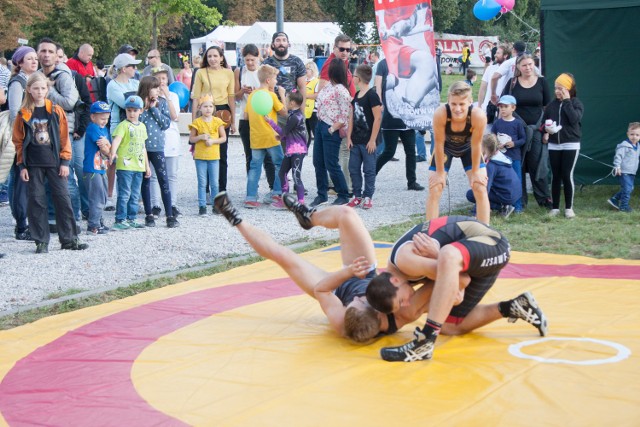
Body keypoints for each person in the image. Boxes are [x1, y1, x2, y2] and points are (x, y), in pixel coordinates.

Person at [214, 191, 444, 343]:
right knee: (346, 214)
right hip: (365, 271)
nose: (360, 297)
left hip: (333, 287)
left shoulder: (341, 320)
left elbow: (321, 290)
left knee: (283, 255)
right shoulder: (402, 314)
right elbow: (439, 287)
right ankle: (309, 217)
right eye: (361, 300)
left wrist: (347, 273)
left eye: (358, 300)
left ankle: (236, 220)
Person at [365, 215, 548, 362]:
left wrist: (453, 284)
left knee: (448, 255)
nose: (406, 303)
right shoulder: (396, 278)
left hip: (493, 244)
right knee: (450, 325)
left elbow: (461, 278)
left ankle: (425, 341)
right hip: (476, 262)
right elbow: (459, 278)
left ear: (395, 281)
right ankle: (515, 306)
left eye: (400, 301)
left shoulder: (407, 261)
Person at [12, 72, 88, 253]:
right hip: (33, 164)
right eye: (35, 88)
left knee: (63, 199)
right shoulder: (23, 114)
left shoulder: (55, 110)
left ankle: (69, 239)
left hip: (55, 163)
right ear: (28, 90)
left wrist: (64, 161)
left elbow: (64, 138)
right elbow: (18, 141)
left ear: (48, 89)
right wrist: (21, 166)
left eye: (43, 88)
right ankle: (41, 241)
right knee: (37, 202)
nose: (39, 91)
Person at [427, 81, 490, 224]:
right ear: (448, 101)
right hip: (446, 147)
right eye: (453, 104)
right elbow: (438, 143)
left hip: (469, 148)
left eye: (462, 104)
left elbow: (476, 144)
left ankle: (485, 232)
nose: (457, 109)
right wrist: (440, 173)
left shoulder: (478, 116)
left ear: (470, 102)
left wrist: (475, 173)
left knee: (479, 186)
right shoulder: (440, 113)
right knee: (435, 187)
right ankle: (429, 232)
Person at [503, 53, 551, 209]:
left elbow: (548, 108)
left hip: (536, 130)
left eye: (530, 64)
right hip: (515, 131)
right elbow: (503, 105)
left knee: (537, 164)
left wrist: (546, 131)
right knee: (518, 166)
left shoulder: (542, 82)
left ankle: (544, 199)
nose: (528, 67)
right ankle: (519, 200)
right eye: (524, 65)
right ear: (518, 67)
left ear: (534, 64)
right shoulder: (512, 83)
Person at [374, 57, 425, 193]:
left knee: (410, 151)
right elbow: (378, 85)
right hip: (391, 114)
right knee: (389, 151)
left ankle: (412, 181)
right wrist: (379, 101)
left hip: (407, 114)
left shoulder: (408, 62)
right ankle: (370, 175)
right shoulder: (383, 63)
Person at [191, 46, 235, 193]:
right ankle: (207, 189)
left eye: (215, 56)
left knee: (222, 151)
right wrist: (193, 123)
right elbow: (196, 97)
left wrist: (234, 120)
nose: (212, 59)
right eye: (209, 56)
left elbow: (231, 97)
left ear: (221, 57)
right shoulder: (200, 73)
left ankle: (221, 188)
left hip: (223, 112)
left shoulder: (229, 73)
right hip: (205, 110)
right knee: (206, 149)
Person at [243, 65, 287, 209]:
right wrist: (282, 96)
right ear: (268, 80)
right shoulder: (272, 95)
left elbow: (246, 115)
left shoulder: (252, 96)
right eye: (275, 79)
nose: (276, 81)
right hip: (271, 136)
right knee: (280, 164)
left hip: (256, 137)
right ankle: (277, 192)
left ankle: (250, 198)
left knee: (255, 167)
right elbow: (284, 113)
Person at [7, 46, 39, 241]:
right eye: (29, 59)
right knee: (20, 180)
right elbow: (15, 113)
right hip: (21, 137)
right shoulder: (18, 82)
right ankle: (21, 225)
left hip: (31, 136)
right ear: (20, 62)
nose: (34, 61)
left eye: (35, 58)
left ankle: (24, 221)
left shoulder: (32, 81)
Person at [137, 76, 178, 228]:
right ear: (147, 89)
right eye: (154, 87)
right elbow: (134, 121)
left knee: (163, 179)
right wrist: (144, 108)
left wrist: (154, 108)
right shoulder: (139, 104)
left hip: (158, 147)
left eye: (157, 87)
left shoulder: (161, 104)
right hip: (142, 148)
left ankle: (169, 215)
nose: (157, 90)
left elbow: (166, 123)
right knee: (146, 180)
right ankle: (149, 214)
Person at [235, 44, 275, 198]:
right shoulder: (239, 72)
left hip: (263, 118)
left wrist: (258, 92)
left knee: (269, 156)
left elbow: (271, 92)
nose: (250, 63)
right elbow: (236, 96)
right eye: (247, 60)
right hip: (245, 118)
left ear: (258, 57)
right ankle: (253, 190)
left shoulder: (264, 71)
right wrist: (243, 91)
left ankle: (273, 188)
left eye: (252, 60)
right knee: (250, 155)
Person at [311, 58, 352, 207]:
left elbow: (345, 112)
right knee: (318, 162)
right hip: (321, 124)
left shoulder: (341, 90)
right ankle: (321, 194)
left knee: (331, 163)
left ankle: (343, 194)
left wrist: (333, 128)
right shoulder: (328, 86)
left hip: (331, 128)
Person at [543, 73, 584, 218]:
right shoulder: (551, 105)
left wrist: (567, 101)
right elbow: (544, 122)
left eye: (561, 88)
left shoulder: (576, 103)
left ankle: (569, 208)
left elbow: (574, 119)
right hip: (554, 144)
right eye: (556, 88)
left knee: (567, 175)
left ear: (568, 89)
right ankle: (555, 208)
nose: (557, 91)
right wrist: (546, 131)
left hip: (571, 144)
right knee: (555, 176)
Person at [105, 53, 141, 210]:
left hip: (135, 126)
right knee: (116, 162)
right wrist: (138, 100)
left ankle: (133, 198)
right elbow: (128, 103)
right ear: (124, 69)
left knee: (134, 160)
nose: (135, 68)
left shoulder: (135, 82)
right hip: (118, 127)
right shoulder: (112, 85)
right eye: (132, 66)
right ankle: (110, 196)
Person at [108, 95, 150, 230]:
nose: (132, 113)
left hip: (138, 166)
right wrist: (113, 152)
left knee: (135, 194)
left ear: (141, 111)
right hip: (125, 166)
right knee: (124, 193)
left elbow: (143, 147)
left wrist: (147, 166)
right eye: (129, 110)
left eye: (135, 110)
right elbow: (117, 140)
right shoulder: (123, 125)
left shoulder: (142, 127)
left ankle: (132, 218)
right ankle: (120, 219)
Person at [346, 64, 381, 210]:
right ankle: (357, 196)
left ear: (358, 78)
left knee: (369, 170)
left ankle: (368, 197)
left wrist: (373, 140)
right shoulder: (356, 95)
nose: (352, 78)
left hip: (368, 142)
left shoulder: (372, 95)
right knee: (353, 168)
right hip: (355, 140)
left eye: (354, 75)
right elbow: (352, 117)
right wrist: (348, 137)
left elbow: (377, 118)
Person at [264, 90, 308, 206]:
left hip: (297, 151)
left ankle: (301, 202)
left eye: (287, 101)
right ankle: (285, 200)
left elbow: (284, 132)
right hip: (291, 150)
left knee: (296, 175)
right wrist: (282, 138)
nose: (285, 103)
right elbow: (292, 134)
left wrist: (270, 122)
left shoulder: (295, 117)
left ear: (292, 103)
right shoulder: (294, 115)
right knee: (282, 172)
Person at [150, 67, 182, 219]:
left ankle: (173, 204)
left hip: (171, 137)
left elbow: (175, 116)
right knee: (155, 175)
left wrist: (167, 97)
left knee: (172, 174)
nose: (162, 81)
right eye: (158, 79)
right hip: (155, 138)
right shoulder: (150, 97)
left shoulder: (173, 96)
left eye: (164, 78)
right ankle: (156, 204)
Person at [466, 134, 522, 218]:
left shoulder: (491, 165)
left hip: (507, 196)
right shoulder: (499, 156)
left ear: (486, 148)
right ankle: (503, 206)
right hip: (514, 193)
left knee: (471, 194)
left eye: (480, 146)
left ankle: (503, 207)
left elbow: (484, 189)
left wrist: (475, 212)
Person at [188, 94, 227, 215]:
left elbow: (223, 138)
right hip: (200, 157)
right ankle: (202, 206)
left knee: (215, 182)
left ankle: (216, 206)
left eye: (210, 106)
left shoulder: (217, 122)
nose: (208, 109)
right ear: (200, 108)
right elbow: (192, 139)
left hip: (214, 156)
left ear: (214, 108)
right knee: (202, 182)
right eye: (205, 106)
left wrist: (213, 141)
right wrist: (200, 137)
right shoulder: (197, 122)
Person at [491, 94, 526, 212]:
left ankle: (518, 206)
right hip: (500, 158)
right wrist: (496, 143)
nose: (503, 109)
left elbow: (523, 139)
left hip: (514, 157)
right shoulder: (497, 123)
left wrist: (513, 143)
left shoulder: (517, 123)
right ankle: (502, 205)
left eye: (506, 106)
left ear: (513, 108)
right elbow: (492, 136)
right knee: (500, 181)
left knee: (516, 180)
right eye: (501, 107)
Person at [82, 101, 111, 234]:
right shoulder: (93, 128)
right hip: (92, 169)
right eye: (102, 118)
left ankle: (99, 220)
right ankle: (93, 225)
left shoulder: (104, 129)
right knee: (97, 196)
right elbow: (105, 149)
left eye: (107, 118)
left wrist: (109, 146)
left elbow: (108, 147)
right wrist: (110, 149)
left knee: (103, 196)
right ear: (93, 117)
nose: (104, 121)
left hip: (101, 167)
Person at [608, 122, 640, 213]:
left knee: (630, 188)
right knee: (627, 189)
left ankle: (614, 199)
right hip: (623, 171)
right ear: (627, 134)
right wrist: (617, 167)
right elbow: (618, 156)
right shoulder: (624, 145)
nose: (634, 137)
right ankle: (623, 207)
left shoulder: (637, 146)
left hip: (632, 172)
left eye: (637, 135)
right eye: (632, 134)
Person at [478, 44, 511, 127]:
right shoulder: (490, 68)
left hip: (503, 111)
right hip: (488, 109)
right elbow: (482, 88)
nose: (495, 55)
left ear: (505, 55)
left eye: (498, 53)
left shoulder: (511, 70)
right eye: (496, 52)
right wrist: (479, 106)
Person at [304, 61, 320, 145]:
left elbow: (317, 95)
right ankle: (305, 150)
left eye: (308, 68)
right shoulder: (303, 81)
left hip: (313, 111)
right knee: (305, 132)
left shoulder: (317, 81)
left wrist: (305, 95)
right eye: (305, 68)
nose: (305, 70)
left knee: (315, 131)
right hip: (304, 110)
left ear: (313, 70)